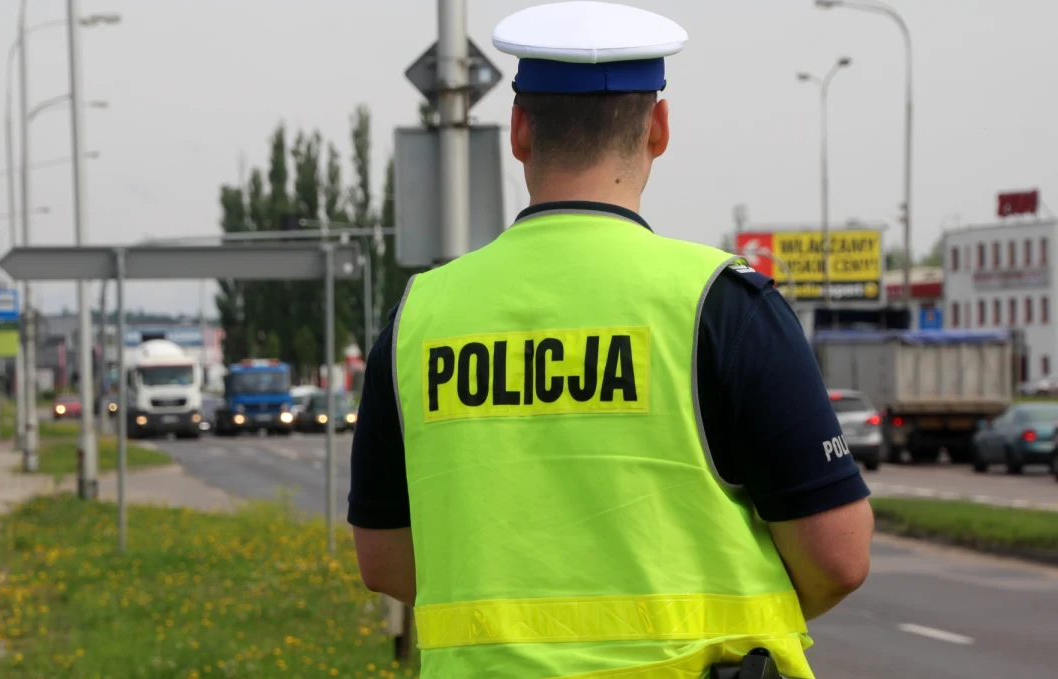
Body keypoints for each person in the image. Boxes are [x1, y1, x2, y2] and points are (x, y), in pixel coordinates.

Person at [348, 3, 874, 677]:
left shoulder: (420, 318)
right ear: (658, 129)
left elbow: (385, 559)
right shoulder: (723, 305)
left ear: (518, 130)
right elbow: (838, 556)